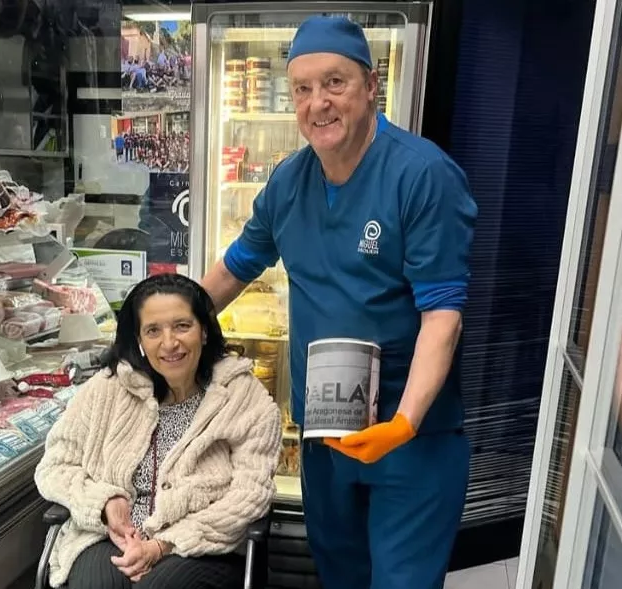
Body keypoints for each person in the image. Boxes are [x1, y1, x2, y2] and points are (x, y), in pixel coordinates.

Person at [200, 15, 478, 589]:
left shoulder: (421, 175)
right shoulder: (287, 183)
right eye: (303, 88)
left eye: (335, 83)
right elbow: (234, 270)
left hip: (412, 438)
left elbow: (443, 314)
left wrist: (404, 423)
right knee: (340, 577)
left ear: (371, 85)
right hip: (325, 432)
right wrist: (159, 325)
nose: (317, 104)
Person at [35, 273, 281, 589]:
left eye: (182, 325)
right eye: (153, 330)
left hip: (200, 546)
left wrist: (162, 545)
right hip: (111, 537)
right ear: (139, 338)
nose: (169, 343)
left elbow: (251, 493)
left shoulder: (243, 397)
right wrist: (105, 503)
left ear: (204, 331)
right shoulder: (106, 389)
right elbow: (55, 466)